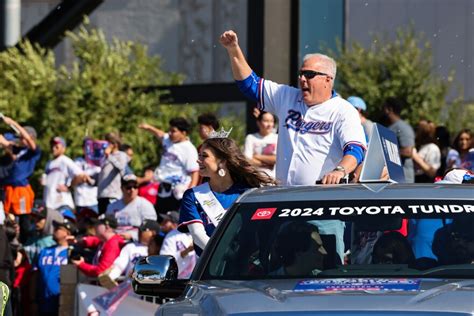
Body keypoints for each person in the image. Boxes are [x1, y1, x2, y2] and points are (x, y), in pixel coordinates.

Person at [219, 30, 366, 185]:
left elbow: (355, 149)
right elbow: (250, 85)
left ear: (328, 79)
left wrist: (340, 170)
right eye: (301, 74)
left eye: (309, 74)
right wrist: (233, 49)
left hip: (322, 195)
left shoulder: (343, 109)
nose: (302, 79)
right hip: (285, 194)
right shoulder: (287, 96)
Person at [178, 137, 276, 255]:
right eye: (199, 155)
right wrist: (225, 257)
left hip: (250, 265)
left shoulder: (249, 192)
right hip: (212, 266)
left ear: (222, 161)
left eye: (204, 156)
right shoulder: (193, 196)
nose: (198, 160)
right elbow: (198, 235)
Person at [139, 118, 199, 214]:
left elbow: (195, 173)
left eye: (173, 131)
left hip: (177, 190)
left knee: (173, 220)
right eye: (169, 130)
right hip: (163, 187)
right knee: (161, 217)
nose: (170, 133)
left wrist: (190, 193)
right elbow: (160, 134)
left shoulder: (189, 149)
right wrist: (148, 127)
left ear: (183, 133)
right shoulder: (168, 140)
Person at [98, 219, 161, 289]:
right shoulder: (131, 246)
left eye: (143, 230)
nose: (139, 232)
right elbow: (119, 265)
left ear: (153, 233)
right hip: (131, 289)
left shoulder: (160, 248)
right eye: (139, 230)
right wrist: (110, 276)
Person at [36, 218, 76, 316]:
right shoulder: (44, 251)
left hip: (63, 302)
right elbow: (35, 275)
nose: (54, 230)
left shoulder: (73, 252)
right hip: (43, 301)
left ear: (67, 233)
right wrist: (32, 300)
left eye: (58, 229)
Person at [42, 136, 89, 210]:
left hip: (62, 203)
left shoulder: (64, 160)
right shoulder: (49, 163)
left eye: (56, 146)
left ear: (63, 148)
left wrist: (69, 187)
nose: (53, 148)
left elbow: (81, 175)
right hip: (49, 203)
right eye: (52, 146)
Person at [106, 174, 157, 241]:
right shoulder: (112, 206)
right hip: (115, 239)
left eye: (135, 187)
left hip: (137, 241)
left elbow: (151, 229)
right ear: (122, 188)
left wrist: (132, 236)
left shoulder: (145, 205)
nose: (132, 190)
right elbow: (107, 226)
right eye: (128, 187)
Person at [382, 97, 416, 183]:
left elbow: (408, 151)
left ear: (389, 109)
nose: (382, 111)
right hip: (392, 178)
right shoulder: (391, 127)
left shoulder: (403, 128)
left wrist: (386, 152)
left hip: (404, 179)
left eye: (384, 108)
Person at [97, 133, 130, 214]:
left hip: (113, 194)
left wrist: (109, 156)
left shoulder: (121, 155)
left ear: (114, 144)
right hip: (101, 195)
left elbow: (121, 167)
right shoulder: (104, 157)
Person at [159, 212, 196, 279]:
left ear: (174, 223)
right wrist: (186, 251)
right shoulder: (170, 236)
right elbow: (165, 262)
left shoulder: (193, 233)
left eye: (166, 221)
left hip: (194, 278)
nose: (162, 223)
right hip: (177, 280)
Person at [243, 111, 278, 178]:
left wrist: (256, 156)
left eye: (271, 121)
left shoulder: (277, 138)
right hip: (255, 178)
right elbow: (247, 160)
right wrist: (269, 162)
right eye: (266, 121)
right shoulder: (250, 138)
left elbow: (277, 159)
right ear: (258, 123)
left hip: (273, 178)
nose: (269, 124)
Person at [73, 140, 102, 215]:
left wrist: (86, 178)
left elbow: (97, 180)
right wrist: (84, 178)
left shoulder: (98, 162)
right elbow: (73, 180)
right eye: (85, 147)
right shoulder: (77, 162)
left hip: (93, 201)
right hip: (80, 201)